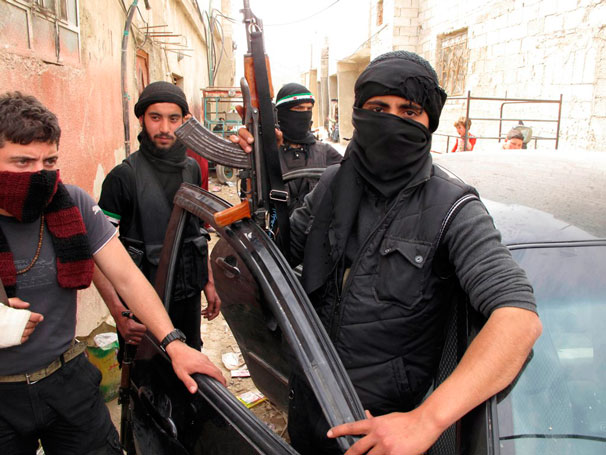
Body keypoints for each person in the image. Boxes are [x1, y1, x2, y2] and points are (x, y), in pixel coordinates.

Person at [233, 51, 542, 455]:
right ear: (360, 113)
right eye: (378, 109)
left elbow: (518, 319)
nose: (391, 121)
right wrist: (261, 171)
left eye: (408, 111)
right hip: (310, 405)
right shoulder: (332, 185)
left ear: (429, 122)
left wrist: (426, 420)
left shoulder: (452, 208)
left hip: (381, 436)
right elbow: (275, 255)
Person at [0, 91, 225, 454]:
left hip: (67, 379)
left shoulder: (72, 204)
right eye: (23, 162)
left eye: (50, 161)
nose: (39, 174)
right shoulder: (125, 177)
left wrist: (173, 343)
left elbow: (126, 276)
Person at [95, 81, 221, 359]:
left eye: (173, 119)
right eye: (155, 117)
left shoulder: (191, 169)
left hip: (187, 300)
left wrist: (208, 282)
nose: (165, 128)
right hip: (142, 309)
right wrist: (119, 312)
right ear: (141, 119)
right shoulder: (123, 177)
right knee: (147, 379)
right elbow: (98, 253)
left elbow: (197, 231)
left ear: (184, 121)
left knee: (191, 369)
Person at [273, 83, 343, 214]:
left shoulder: (324, 151)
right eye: (299, 108)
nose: (304, 114)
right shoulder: (269, 151)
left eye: (308, 109)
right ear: (282, 112)